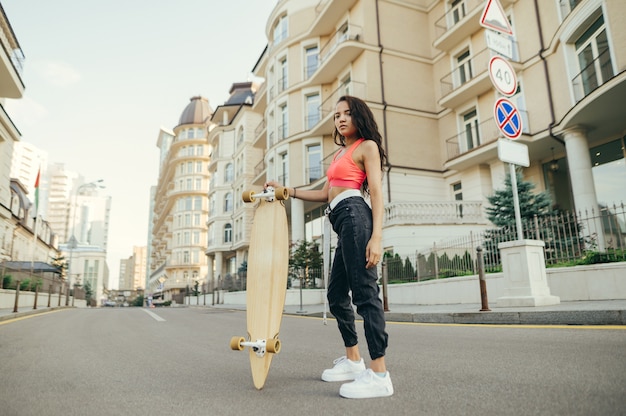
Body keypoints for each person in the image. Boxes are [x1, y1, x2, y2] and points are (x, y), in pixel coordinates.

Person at [265, 95, 393, 399]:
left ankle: (379, 373)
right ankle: (353, 361)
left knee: (364, 293)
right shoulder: (339, 154)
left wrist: (377, 237)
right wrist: (288, 191)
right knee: (336, 295)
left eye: (347, 113)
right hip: (341, 220)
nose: (341, 119)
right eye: (336, 115)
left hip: (355, 217)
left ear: (359, 116)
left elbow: (375, 192)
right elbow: (326, 192)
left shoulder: (367, 147)